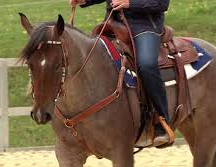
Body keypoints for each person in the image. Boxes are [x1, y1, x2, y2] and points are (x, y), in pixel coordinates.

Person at [69, 0, 172, 146]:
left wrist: (130, 3)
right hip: (111, 24)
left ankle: (161, 119)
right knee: (90, 60)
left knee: (147, 65)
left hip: (144, 25)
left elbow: (161, 4)